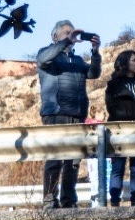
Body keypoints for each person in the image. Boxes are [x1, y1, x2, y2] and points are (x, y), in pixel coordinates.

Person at [37, 20, 101, 208]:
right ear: (55, 36)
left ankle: (68, 201)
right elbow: (42, 60)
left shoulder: (78, 60)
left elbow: (94, 74)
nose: (71, 36)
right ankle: (49, 200)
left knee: (73, 161)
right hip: (56, 114)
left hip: (77, 115)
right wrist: (65, 43)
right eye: (66, 33)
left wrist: (95, 53)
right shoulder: (47, 54)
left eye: (72, 33)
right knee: (54, 159)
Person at [104, 50, 135, 206]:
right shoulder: (114, 85)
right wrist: (127, 121)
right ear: (125, 63)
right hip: (119, 132)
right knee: (118, 168)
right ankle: (114, 202)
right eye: (134, 60)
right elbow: (111, 107)